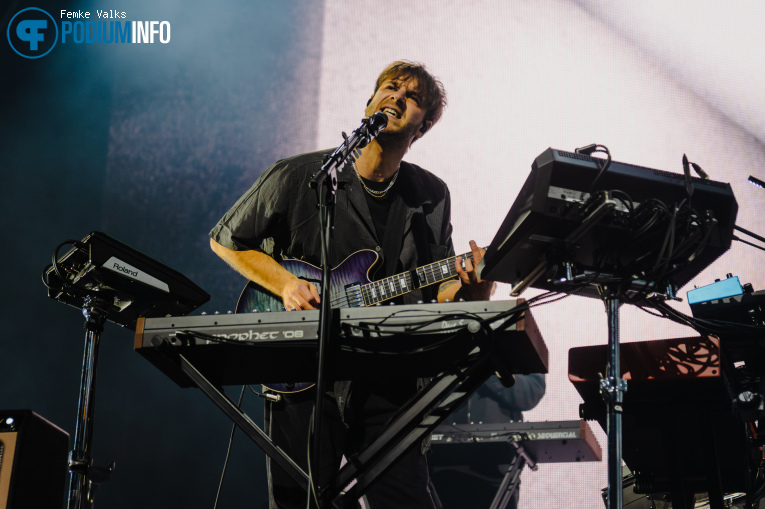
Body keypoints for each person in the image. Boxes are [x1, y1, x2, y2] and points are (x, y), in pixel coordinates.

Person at [209, 60, 494, 508]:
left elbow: (439, 288)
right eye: (390, 87)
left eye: (412, 97)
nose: (397, 97)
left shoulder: (431, 194)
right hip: (305, 374)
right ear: (370, 102)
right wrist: (285, 284)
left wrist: (474, 292)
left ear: (424, 126)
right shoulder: (301, 175)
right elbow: (227, 240)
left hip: (390, 379)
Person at [429, 374, 546, 509]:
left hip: (499, 473)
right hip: (439, 467)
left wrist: (489, 369)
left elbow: (531, 392)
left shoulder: (521, 353)